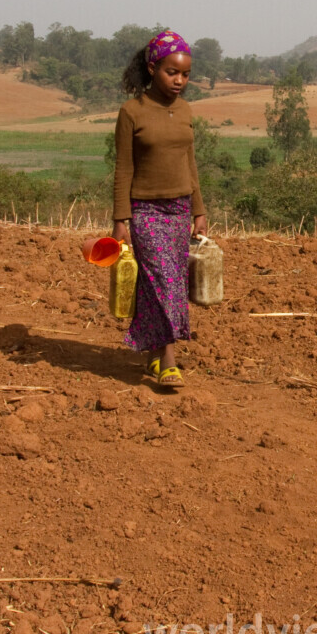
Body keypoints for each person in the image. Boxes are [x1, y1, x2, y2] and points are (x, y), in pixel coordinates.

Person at [110, 30, 207, 387]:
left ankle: (152, 355)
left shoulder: (185, 111)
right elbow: (123, 167)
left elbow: (190, 163)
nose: (179, 81)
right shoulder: (132, 112)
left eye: (185, 74)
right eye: (172, 72)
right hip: (146, 211)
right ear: (153, 68)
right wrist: (121, 219)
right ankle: (169, 361)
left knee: (162, 284)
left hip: (179, 209)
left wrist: (199, 210)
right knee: (165, 281)